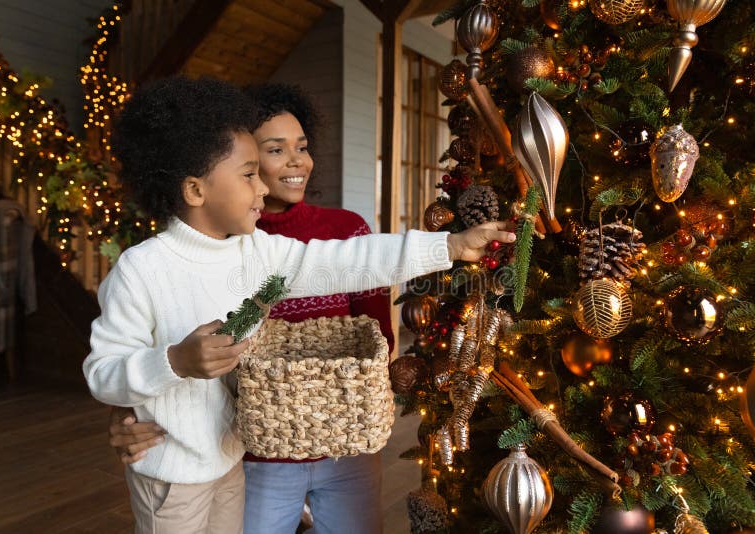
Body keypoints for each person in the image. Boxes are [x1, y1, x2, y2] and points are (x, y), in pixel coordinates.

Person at [86, 75, 515, 534]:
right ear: (195, 191)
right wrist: (173, 361)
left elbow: (349, 260)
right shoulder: (140, 270)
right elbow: (102, 372)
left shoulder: (257, 252)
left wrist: (449, 246)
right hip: (170, 475)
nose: (261, 189)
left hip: (230, 463)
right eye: (250, 174)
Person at [110, 82, 395, 534]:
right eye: (273, 151)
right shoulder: (215, 253)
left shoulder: (338, 232)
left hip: (343, 446)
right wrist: (135, 408)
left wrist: (449, 246)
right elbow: (161, 346)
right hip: (254, 453)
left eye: (302, 146)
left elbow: (378, 334)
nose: (295, 160)